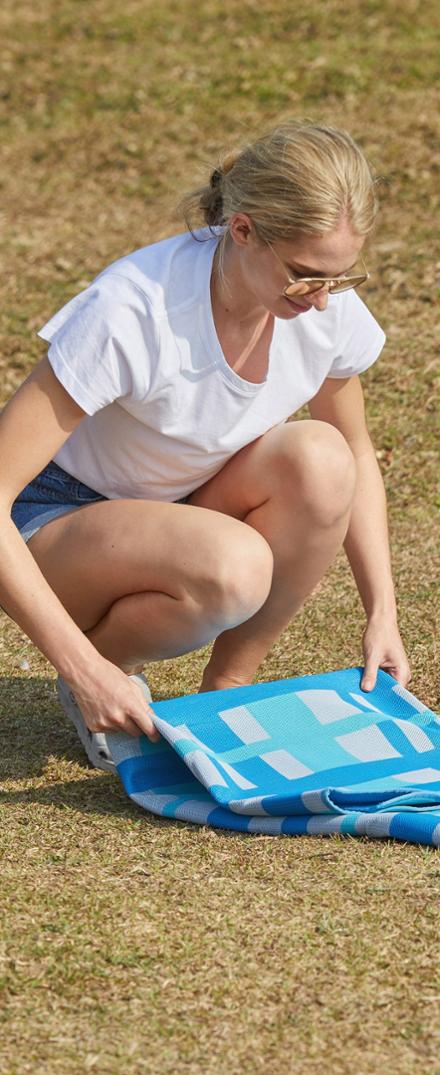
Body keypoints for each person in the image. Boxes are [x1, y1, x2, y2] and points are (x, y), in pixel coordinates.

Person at [0, 121, 410, 772]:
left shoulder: (322, 308)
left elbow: (357, 452)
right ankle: (108, 666)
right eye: (305, 275)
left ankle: (225, 696)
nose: (322, 299)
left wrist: (382, 612)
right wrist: (84, 669)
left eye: (340, 276)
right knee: (235, 565)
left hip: (183, 506)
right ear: (242, 230)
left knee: (323, 459)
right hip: (59, 524)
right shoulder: (132, 310)